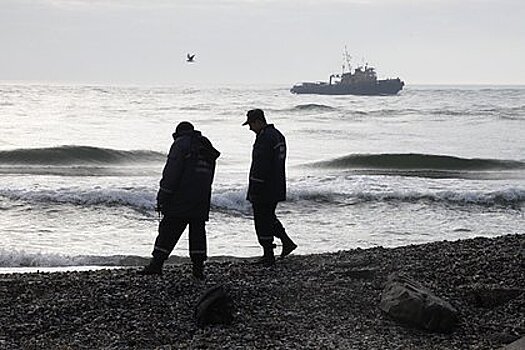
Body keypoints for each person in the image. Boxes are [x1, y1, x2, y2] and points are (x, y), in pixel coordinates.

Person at [140, 121, 220, 279]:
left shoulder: (181, 144)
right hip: (202, 197)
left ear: (178, 133)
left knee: (168, 229)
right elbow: (210, 175)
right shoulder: (205, 145)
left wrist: (163, 195)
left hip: (181, 196)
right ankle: (198, 269)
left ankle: (157, 264)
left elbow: (172, 172)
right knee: (197, 232)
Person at [242, 109, 297, 266]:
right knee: (269, 216)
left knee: (262, 220)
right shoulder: (278, 135)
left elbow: (261, 164)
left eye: (251, 124)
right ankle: (286, 242)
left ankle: (268, 255)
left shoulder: (265, 138)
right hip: (276, 184)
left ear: (258, 121)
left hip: (264, 186)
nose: (250, 128)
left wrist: (255, 186)